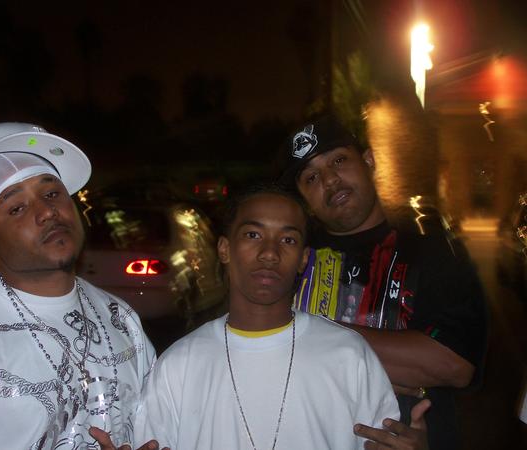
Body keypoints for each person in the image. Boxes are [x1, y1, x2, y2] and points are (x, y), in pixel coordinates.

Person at [94, 183, 401, 450]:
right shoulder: (179, 365)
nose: (270, 253)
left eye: (288, 240)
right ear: (224, 249)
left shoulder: (348, 354)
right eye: (253, 235)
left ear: (303, 259)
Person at [0, 123, 161, 450]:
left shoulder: (120, 318)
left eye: (52, 194)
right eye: (17, 208)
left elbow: (155, 426)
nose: (47, 212)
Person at [279, 115, 488, 450]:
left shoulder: (430, 248)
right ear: (304, 198)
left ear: (369, 160)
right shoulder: (291, 259)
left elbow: (454, 364)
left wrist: (303, 334)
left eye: (338, 161)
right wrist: (387, 363)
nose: (330, 180)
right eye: (311, 177)